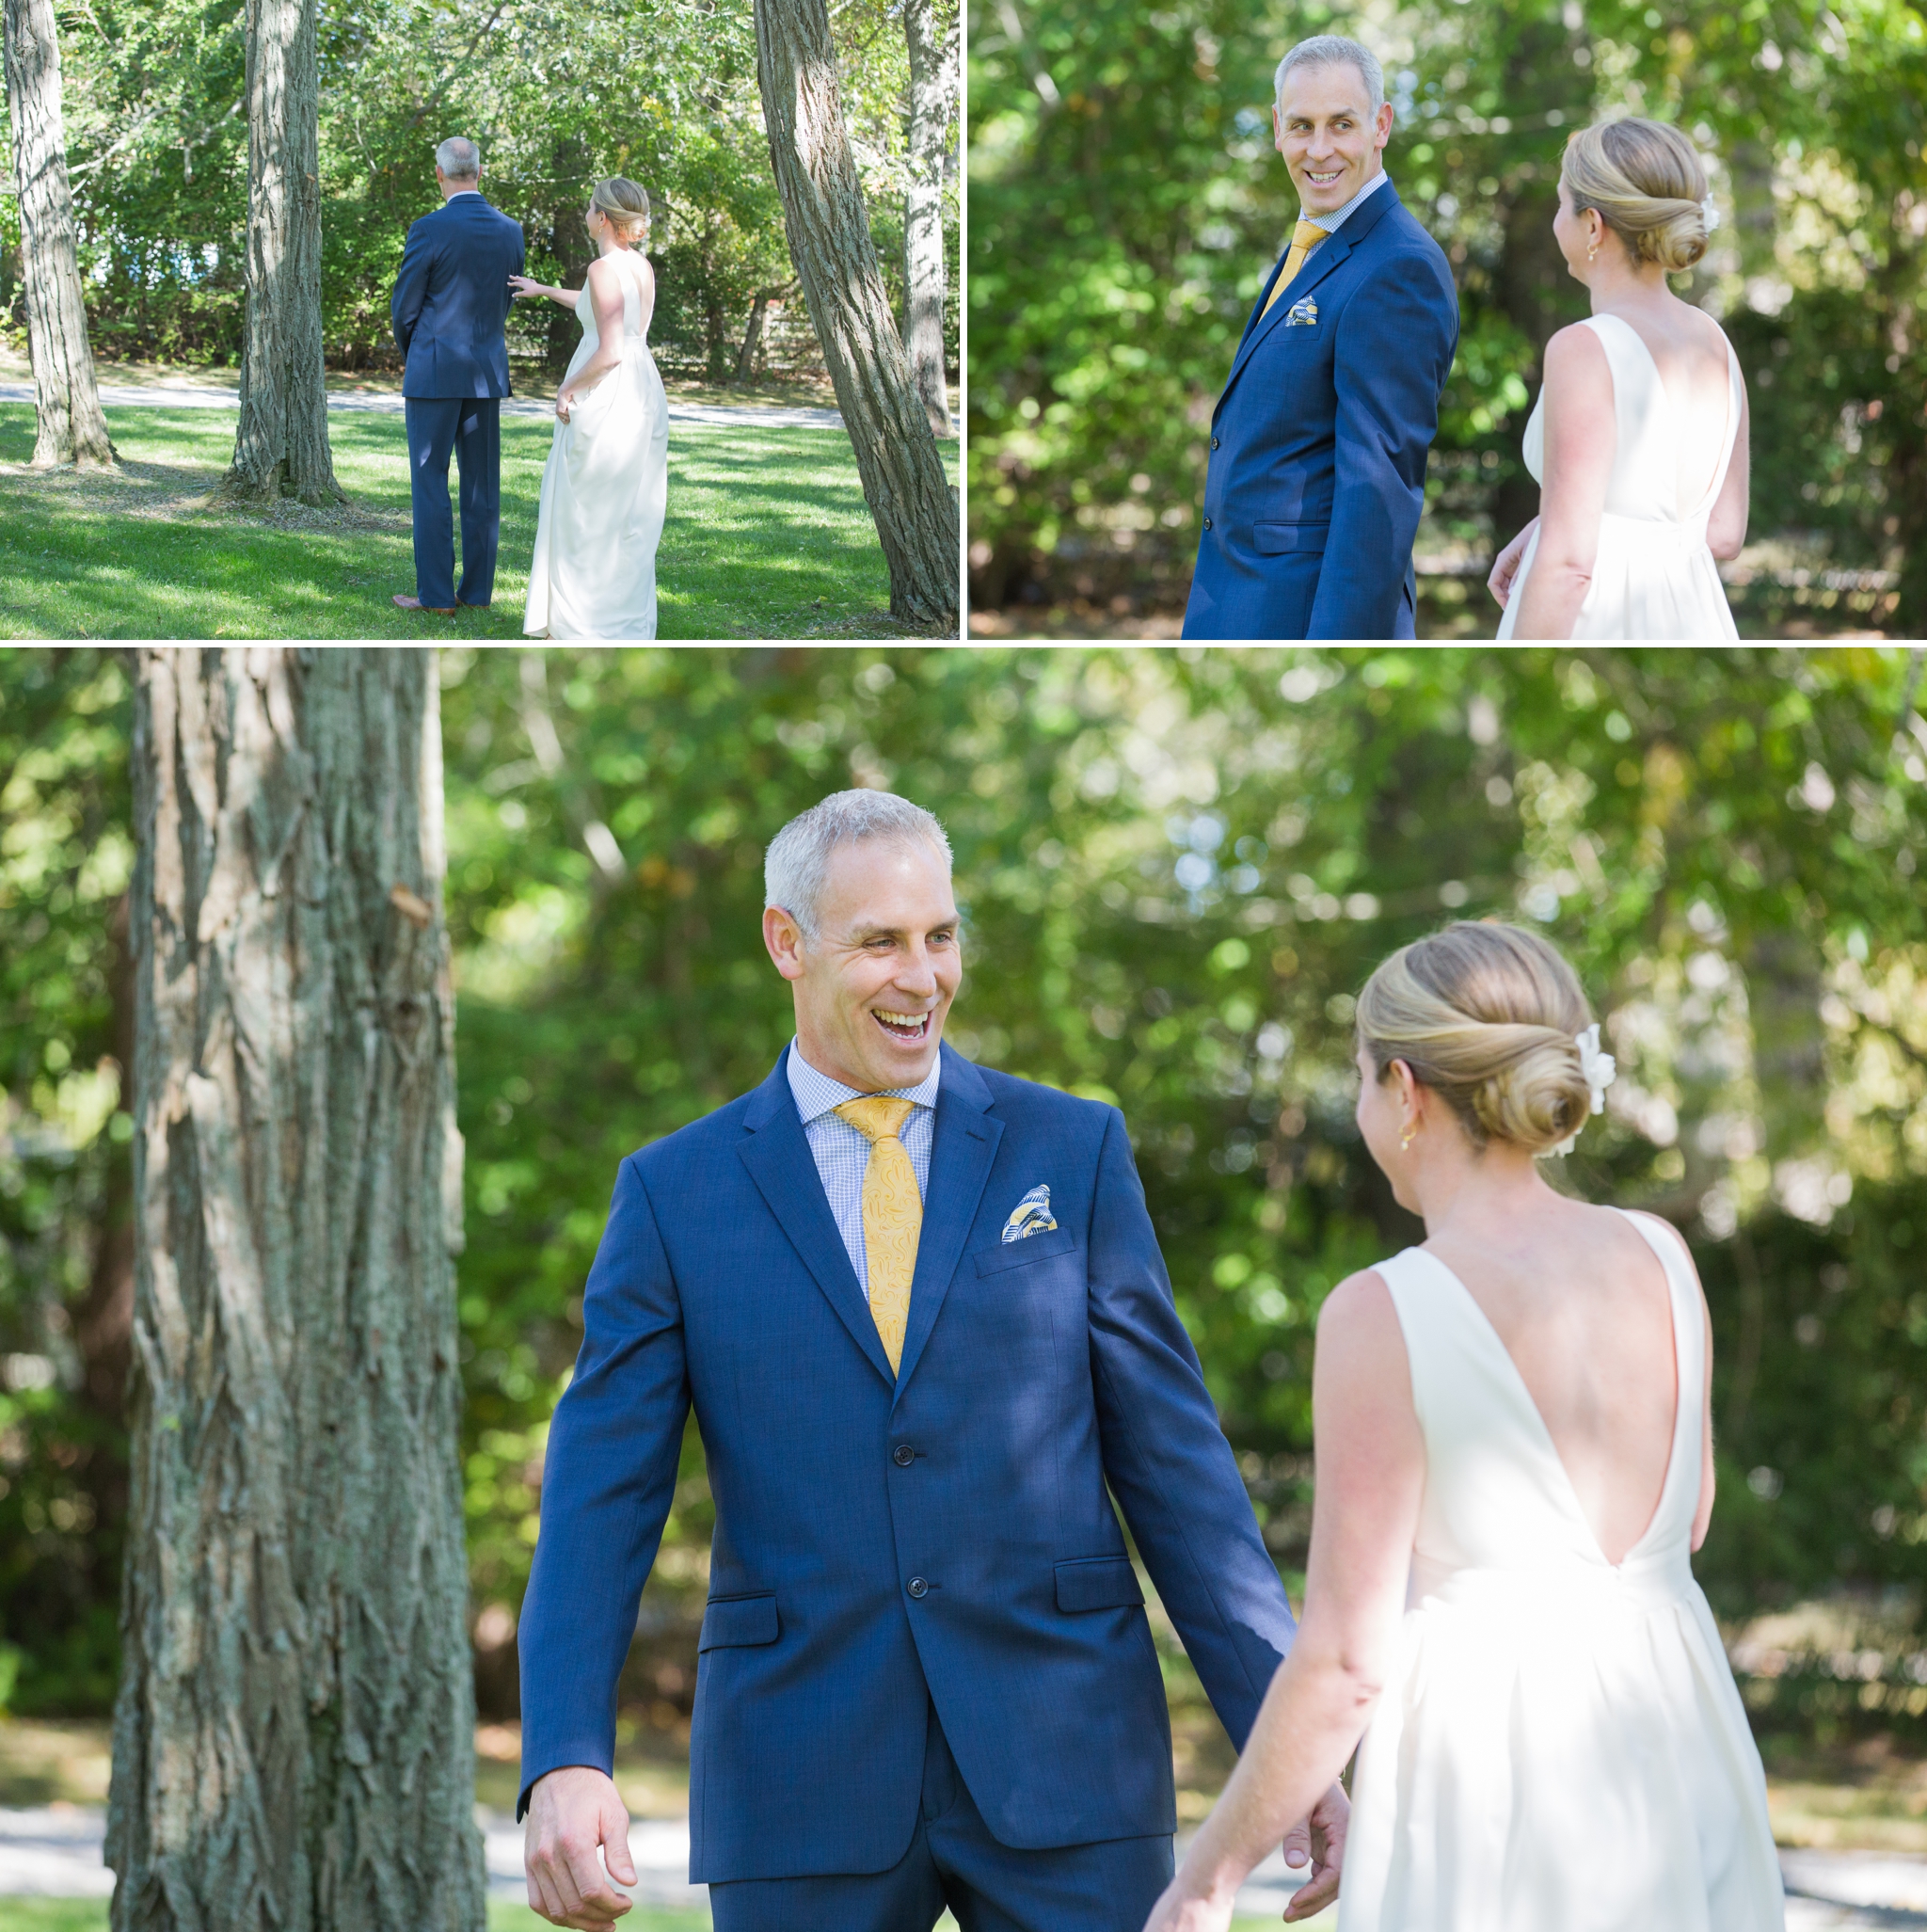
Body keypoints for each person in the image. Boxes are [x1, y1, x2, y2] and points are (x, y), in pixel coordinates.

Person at [516, 789, 1347, 1932]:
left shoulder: (1074, 1147)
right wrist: (563, 1751)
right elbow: (600, 1495)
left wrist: (1281, 1725)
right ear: (786, 942)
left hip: (1068, 1756)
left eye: (939, 936)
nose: (923, 978)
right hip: (798, 1766)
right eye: (879, 943)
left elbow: (1177, 1471)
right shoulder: (673, 1192)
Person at [1143, 921, 1785, 1932]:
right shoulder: (1661, 1256)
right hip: (1679, 1746)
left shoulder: (1382, 1310)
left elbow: (1345, 1660)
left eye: (1358, 1078)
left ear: (1403, 1091)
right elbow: (1685, 1517)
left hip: (1495, 1773)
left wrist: (1205, 1881)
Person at [1182, 36, 1458, 642]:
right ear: (1278, 128)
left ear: (1381, 125)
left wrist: (1333, 648)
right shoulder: (1316, 241)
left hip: (1303, 618)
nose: (1320, 149)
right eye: (1302, 126)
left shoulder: (1397, 266)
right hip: (1241, 603)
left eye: (1342, 124)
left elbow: (1377, 492)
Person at [1489, 119, 1750, 639]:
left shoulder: (1583, 348)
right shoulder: (1715, 344)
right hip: (1693, 621)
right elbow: (1722, 534)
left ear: (1593, 225)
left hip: (1597, 623)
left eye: (1562, 203)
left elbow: (1569, 567)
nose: (1555, 218)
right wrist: (1554, 522)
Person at [513, 177, 671, 639]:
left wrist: (567, 389)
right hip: (643, 392)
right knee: (626, 514)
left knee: (585, 511)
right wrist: (544, 290)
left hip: (608, 394)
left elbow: (609, 349)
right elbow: (603, 313)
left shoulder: (602, 269)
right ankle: (620, 618)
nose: (585, 215)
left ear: (603, 217)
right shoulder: (638, 266)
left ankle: (583, 622)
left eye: (588, 208)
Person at [389, 136, 526, 615]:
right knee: (482, 485)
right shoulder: (512, 231)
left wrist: (418, 353)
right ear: (480, 173)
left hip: (434, 371)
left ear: (439, 174)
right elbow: (504, 301)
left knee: (430, 482)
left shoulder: (428, 228)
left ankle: (437, 597)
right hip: (486, 373)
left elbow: (405, 306)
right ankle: (477, 592)